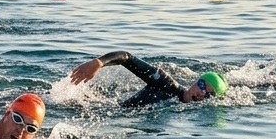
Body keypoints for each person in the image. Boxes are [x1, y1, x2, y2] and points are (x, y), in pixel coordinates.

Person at [69, 51, 227, 107]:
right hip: (108, 109)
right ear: (196, 81)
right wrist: (99, 63)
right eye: (202, 85)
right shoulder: (166, 84)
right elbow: (127, 58)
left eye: (208, 94)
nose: (201, 93)